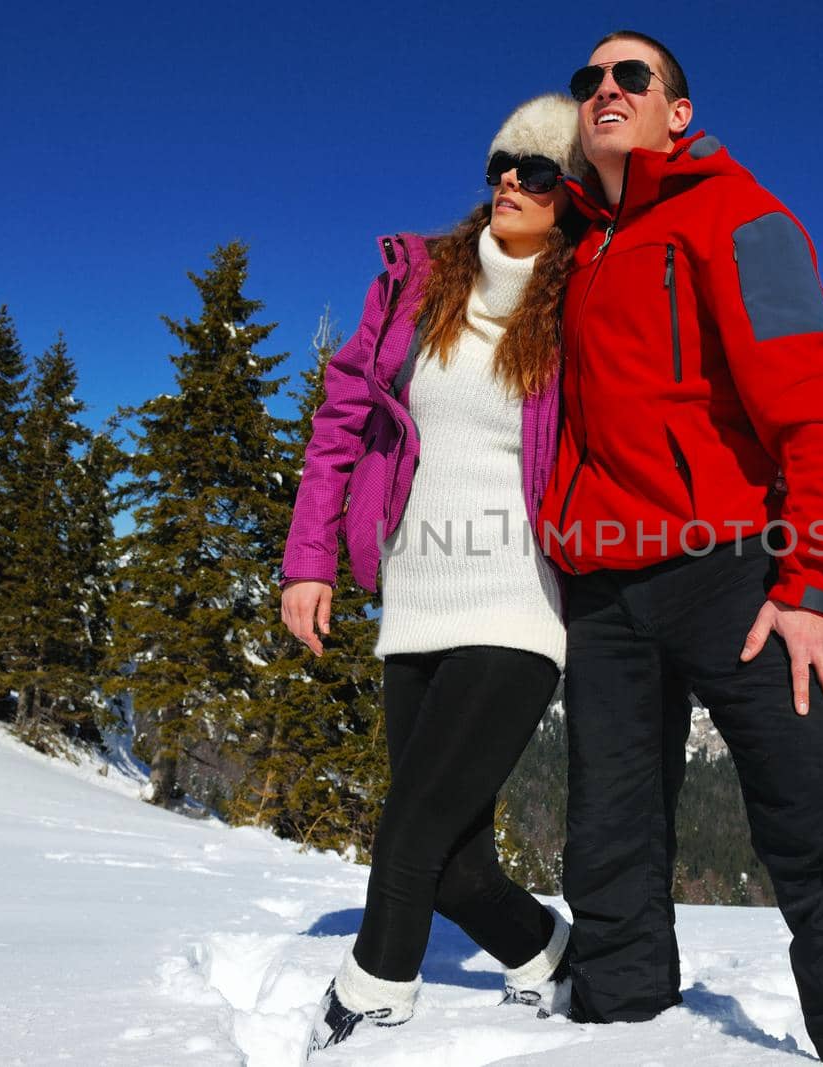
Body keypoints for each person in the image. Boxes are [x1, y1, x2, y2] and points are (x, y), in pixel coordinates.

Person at [538, 32, 823, 1066]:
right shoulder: (575, 248)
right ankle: (620, 1030)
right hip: (603, 586)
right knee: (607, 834)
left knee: (818, 827)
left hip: (736, 571)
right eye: (586, 78)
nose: (604, 89)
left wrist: (814, 581)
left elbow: (815, 402)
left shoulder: (742, 215)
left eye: (630, 76)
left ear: (676, 111)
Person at [279, 93, 588, 1051]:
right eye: (504, 160)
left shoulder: (583, 302)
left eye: (537, 170)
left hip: (517, 605)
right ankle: (553, 958)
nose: (511, 180)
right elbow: (342, 426)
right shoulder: (419, 285)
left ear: (570, 196)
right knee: (455, 863)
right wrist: (311, 557)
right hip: (413, 601)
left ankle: (374, 998)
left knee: (407, 831)